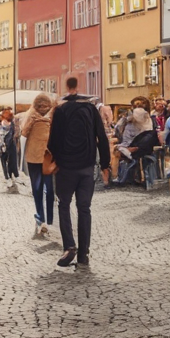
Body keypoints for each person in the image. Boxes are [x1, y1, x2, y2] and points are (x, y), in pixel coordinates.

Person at [48, 77, 111, 268]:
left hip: (66, 167)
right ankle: (84, 254)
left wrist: (55, 161)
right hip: (86, 166)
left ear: (67, 88)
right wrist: (105, 165)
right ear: (78, 87)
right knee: (84, 209)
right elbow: (102, 137)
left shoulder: (60, 110)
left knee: (64, 205)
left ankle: (69, 246)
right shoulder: (91, 109)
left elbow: (54, 140)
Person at [22, 93, 55, 237]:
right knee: (38, 188)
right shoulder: (33, 117)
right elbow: (24, 132)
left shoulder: (50, 118)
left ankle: (47, 219)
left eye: (45, 106)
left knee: (48, 190)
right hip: (36, 157)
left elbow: (23, 133)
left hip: (46, 157)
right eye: (40, 106)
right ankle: (42, 218)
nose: (43, 108)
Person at [0, 108, 19, 191]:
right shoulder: (0, 126)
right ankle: (7, 178)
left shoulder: (13, 125)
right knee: (4, 162)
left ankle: (12, 177)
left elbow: (17, 135)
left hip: (11, 146)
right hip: (3, 147)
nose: (7, 122)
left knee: (12, 162)